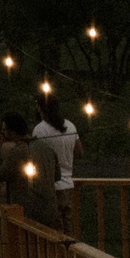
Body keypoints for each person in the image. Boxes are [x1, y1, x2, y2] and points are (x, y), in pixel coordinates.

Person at [36, 93, 82, 236]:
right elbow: (80, 152)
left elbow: (37, 157)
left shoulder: (40, 129)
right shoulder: (70, 126)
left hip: (50, 186)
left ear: (40, 108)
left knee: (54, 229)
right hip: (68, 185)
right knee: (68, 228)